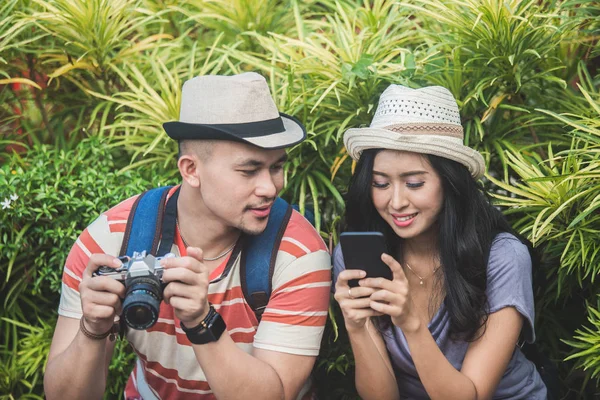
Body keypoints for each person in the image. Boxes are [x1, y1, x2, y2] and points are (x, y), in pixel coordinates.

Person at [44, 72, 332, 400]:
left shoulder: (298, 253)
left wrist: (201, 321)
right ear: (191, 170)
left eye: (276, 167)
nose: (270, 188)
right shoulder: (110, 241)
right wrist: (92, 332)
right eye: (249, 171)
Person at [332, 85, 548, 399]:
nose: (396, 201)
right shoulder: (360, 257)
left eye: (414, 183)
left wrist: (412, 324)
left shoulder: (501, 257)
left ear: (449, 182)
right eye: (380, 183)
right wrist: (356, 327)